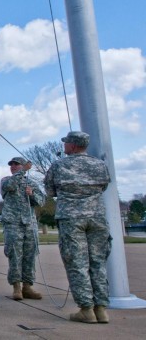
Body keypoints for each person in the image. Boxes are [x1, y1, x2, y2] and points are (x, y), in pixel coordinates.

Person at [44, 131, 112, 324]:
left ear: (72, 146)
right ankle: (101, 309)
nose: (64, 146)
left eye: (66, 143)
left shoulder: (59, 165)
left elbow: (50, 191)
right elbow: (104, 186)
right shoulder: (100, 165)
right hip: (97, 217)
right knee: (98, 262)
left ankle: (86, 309)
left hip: (71, 218)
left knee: (77, 263)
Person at [0, 156, 45, 301]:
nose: (13, 166)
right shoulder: (6, 180)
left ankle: (27, 286)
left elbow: (41, 201)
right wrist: (22, 172)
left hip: (29, 224)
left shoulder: (31, 183)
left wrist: (32, 194)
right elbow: (8, 187)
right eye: (11, 164)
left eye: (16, 164)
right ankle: (16, 287)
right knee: (15, 255)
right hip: (13, 223)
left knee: (30, 255)